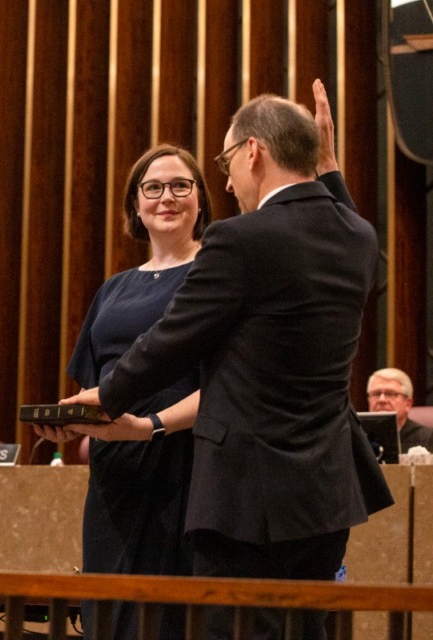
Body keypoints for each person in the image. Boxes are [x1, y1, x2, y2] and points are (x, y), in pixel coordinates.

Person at [61, 80, 394, 639]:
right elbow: (344, 223)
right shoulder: (357, 236)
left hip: (247, 495)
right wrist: (330, 168)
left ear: (253, 152)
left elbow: (173, 340)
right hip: (326, 492)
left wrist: (102, 398)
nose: (227, 178)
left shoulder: (242, 239)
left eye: (226, 160)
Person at [35, 143, 211, 639]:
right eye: (152, 188)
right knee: (109, 617)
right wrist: (71, 424)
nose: (166, 197)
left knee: (174, 621)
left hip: (188, 465)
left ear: (201, 201)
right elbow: (96, 387)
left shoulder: (214, 276)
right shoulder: (114, 289)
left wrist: (150, 428)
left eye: (181, 185)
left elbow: (226, 385)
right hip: (115, 476)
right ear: (136, 204)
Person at [367, 368, 433, 451]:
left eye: (390, 394)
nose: (382, 400)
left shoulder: (428, 438)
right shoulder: (357, 437)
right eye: (376, 394)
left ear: (408, 404)